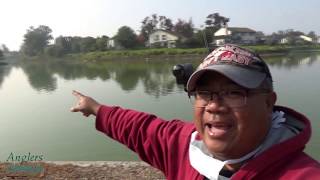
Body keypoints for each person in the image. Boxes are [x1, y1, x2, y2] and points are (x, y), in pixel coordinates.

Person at [70, 44, 320, 180]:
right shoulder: (184, 146)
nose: (213, 105)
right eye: (204, 93)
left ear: (268, 103)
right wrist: (94, 108)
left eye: (234, 93)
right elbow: (139, 127)